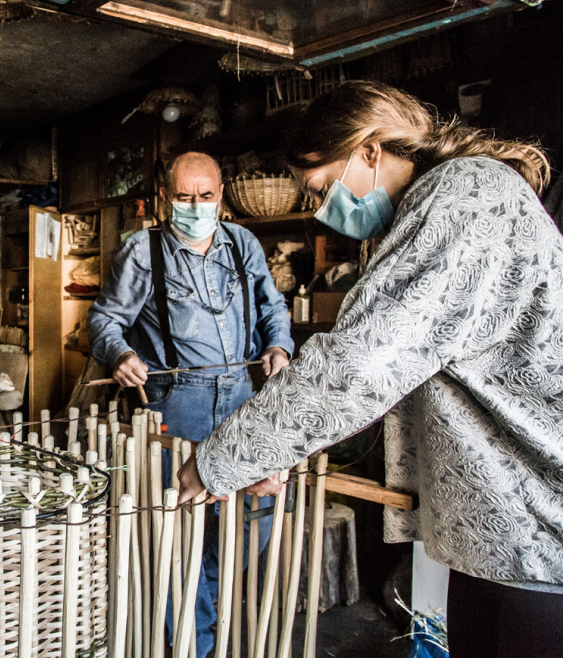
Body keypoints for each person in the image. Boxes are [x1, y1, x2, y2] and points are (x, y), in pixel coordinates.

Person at [178, 80, 563, 657]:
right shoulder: (444, 203)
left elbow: (359, 366)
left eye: (324, 186)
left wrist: (221, 459)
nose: (323, 209)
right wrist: (280, 449)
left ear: (369, 150)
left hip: (532, 524)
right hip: (505, 526)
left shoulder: (463, 196)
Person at [88, 151, 294, 658]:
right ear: (164, 198)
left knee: (255, 511)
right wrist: (121, 353)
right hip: (178, 405)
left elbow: (271, 306)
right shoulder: (142, 252)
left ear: (221, 196)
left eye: (206, 196)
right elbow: (104, 321)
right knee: (180, 530)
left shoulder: (242, 243)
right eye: (184, 197)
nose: (196, 206)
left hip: (242, 399)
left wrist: (278, 345)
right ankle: (195, 644)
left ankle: (203, 602)